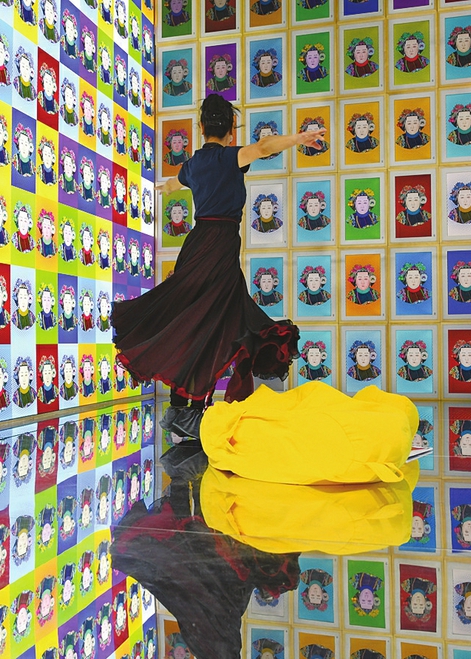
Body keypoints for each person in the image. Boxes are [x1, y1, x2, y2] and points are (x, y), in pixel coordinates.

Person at [111, 94, 323, 438]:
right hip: (220, 246)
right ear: (231, 129)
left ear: (200, 128)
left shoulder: (193, 164)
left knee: (198, 321)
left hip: (198, 246)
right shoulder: (229, 157)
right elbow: (264, 147)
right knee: (212, 324)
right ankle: (188, 410)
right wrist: (298, 138)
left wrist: (165, 187)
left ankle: (183, 409)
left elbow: (175, 183)